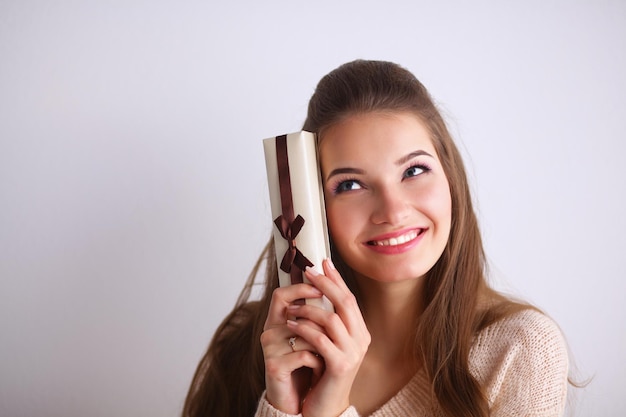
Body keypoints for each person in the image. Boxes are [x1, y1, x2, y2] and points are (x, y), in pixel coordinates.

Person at [182, 60, 570, 417]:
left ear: (450, 179)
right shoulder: (252, 347)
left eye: (414, 170)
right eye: (350, 184)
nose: (393, 210)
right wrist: (282, 406)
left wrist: (329, 410)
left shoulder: (519, 351)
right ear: (313, 208)